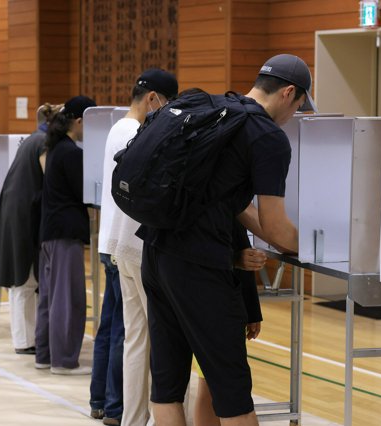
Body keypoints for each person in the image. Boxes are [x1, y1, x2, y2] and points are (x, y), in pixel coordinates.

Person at [137, 54, 314, 425]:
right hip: (199, 269)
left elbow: (229, 204)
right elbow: (276, 225)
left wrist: (278, 236)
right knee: (232, 390)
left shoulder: (216, 109)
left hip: (156, 252)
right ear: (288, 92)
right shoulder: (268, 137)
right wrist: (311, 247)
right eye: (298, 105)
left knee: (167, 385)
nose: (295, 113)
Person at [90, 68, 178, 426]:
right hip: (138, 245)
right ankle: (162, 415)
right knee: (156, 337)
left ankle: (130, 416)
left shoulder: (116, 128)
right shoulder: (141, 132)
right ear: (154, 99)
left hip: (115, 242)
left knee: (132, 337)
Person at [0, 103, 62, 355]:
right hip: (23, 216)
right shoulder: (44, 142)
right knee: (25, 280)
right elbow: (50, 179)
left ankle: (26, 339)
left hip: (15, 213)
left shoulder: (34, 138)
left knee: (23, 280)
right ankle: (25, 341)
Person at [35, 95, 97, 375]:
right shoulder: (71, 152)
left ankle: (45, 354)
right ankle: (64, 360)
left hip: (50, 231)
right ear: (80, 121)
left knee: (49, 296)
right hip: (65, 232)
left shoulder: (57, 147)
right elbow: (84, 193)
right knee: (67, 297)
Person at [193, 222, 266, 426]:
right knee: (210, 386)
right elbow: (240, 253)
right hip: (213, 303)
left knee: (207, 384)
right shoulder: (219, 203)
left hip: (213, 300)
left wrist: (252, 311)